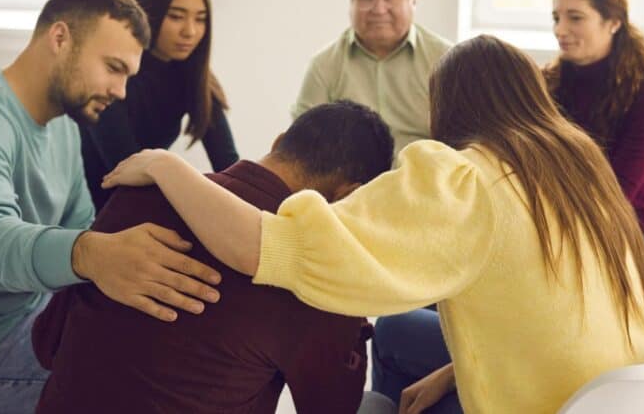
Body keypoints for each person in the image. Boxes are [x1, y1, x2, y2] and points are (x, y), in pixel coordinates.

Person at [104, 35, 644, 413]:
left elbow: (267, 248)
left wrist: (166, 164)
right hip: (620, 394)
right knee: (399, 332)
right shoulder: (576, 159)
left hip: (543, 402)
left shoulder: (463, 179)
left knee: (387, 352)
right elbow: (554, 302)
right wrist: (457, 369)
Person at [0, 0, 222, 412]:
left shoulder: (64, 124)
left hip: (32, 316)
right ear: (60, 37)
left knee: (177, 346)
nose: (121, 92)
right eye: (114, 68)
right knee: (150, 388)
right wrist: (93, 255)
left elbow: (80, 222)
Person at [33, 101, 393, 414]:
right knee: (377, 406)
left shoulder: (139, 191)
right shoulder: (316, 271)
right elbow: (331, 408)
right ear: (351, 195)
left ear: (279, 141)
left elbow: (46, 344)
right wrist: (352, 304)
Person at [81, 0, 238, 211]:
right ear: (149, 12)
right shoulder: (114, 74)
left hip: (147, 201)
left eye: (200, 19)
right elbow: (125, 168)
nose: (190, 31)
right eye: (176, 17)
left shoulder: (194, 74)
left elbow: (228, 164)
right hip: (98, 208)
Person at [542, 0, 644, 260]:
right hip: (555, 226)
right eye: (556, 18)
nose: (560, 30)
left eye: (575, 18)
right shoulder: (545, 84)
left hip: (625, 235)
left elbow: (616, 195)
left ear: (613, 21)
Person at [292, 0, 452, 156]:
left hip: (425, 185)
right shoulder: (324, 66)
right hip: (349, 188)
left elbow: (466, 146)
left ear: (413, 0)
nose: (379, 9)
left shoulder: (446, 62)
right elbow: (302, 150)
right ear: (351, 1)